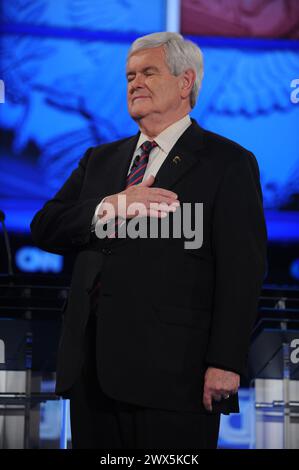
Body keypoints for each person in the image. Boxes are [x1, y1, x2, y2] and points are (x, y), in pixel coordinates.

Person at [30, 32, 267, 449]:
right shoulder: (99, 160)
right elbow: (46, 226)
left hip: (175, 374)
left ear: (185, 82)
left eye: (148, 73)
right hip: (92, 371)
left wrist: (226, 362)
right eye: (129, 76)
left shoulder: (227, 162)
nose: (134, 83)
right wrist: (112, 205)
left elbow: (241, 271)